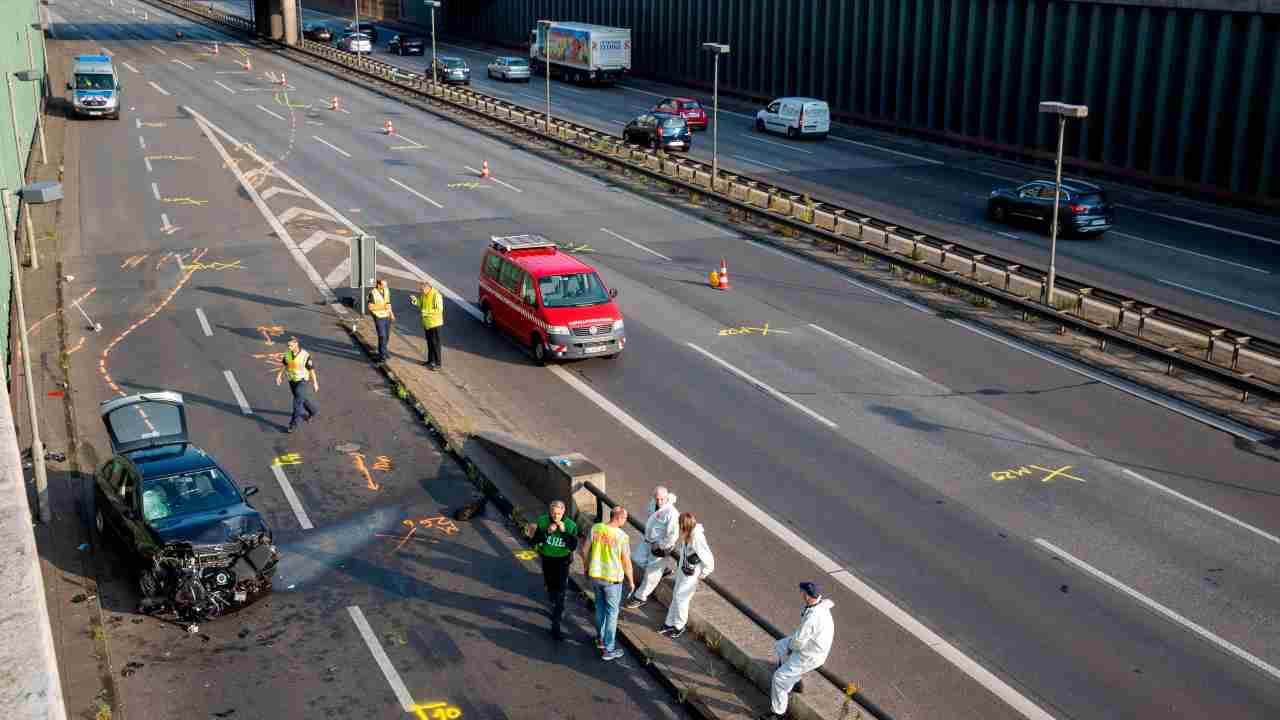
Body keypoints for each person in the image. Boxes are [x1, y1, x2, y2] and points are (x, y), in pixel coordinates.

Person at [758, 582, 835, 719]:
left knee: (779, 678)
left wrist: (790, 649)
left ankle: (778, 713)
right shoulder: (820, 606)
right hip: (812, 645)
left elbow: (798, 641)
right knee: (780, 645)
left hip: (810, 654)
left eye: (802, 592)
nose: (801, 594)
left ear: (806, 595)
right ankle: (794, 681)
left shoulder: (813, 617)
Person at [580, 506, 634, 661]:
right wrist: (631, 581)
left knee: (599, 608)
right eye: (625, 518)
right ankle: (609, 649)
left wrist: (586, 567)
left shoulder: (596, 528)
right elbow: (626, 562)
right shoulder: (622, 537)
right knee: (612, 614)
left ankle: (599, 638)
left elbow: (584, 550)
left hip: (596, 576)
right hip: (612, 580)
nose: (625, 521)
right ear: (619, 518)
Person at [659, 512, 714, 639]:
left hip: (691, 574)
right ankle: (670, 623)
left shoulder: (697, 538)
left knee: (681, 598)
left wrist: (705, 572)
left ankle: (679, 625)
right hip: (684, 570)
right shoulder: (690, 535)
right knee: (677, 596)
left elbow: (708, 557)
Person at [624, 485, 679, 610]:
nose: (659, 502)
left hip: (659, 546)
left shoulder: (672, 514)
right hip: (648, 541)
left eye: (661, 499)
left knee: (651, 574)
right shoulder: (653, 503)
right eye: (657, 499)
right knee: (636, 559)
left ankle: (640, 597)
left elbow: (673, 535)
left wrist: (660, 545)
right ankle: (662, 570)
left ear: (666, 497)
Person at [532, 500, 579, 641]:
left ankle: (556, 624)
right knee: (550, 586)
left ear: (563, 512)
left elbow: (572, 546)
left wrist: (563, 531)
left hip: (562, 561)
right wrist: (548, 531)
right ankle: (553, 598)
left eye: (558, 513)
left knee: (561, 592)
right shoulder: (543, 521)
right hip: (547, 559)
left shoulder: (570, 525)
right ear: (549, 511)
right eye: (553, 513)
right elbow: (535, 540)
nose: (555, 516)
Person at [275, 336, 318, 433]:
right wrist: (279, 376)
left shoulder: (305, 355)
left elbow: (311, 370)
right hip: (292, 381)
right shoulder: (288, 354)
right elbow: (284, 365)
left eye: (290, 345)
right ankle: (313, 411)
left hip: (302, 381)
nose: (288, 347)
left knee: (297, 403)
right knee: (301, 397)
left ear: (296, 344)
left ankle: (292, 425)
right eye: (288, 345)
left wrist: (315, 383)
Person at [410, 279, 444, 370]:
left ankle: (438, 364)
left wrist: (426, 312)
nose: (421, 292)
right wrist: (415, 301)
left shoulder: (436, 295)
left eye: (422, 290)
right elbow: (421, 304)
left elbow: (439, 310)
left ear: (427, 288)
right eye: (420, 290)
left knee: (435, 343)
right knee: (429, 342)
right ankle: (430, 361)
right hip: (427, 323)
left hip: (435, 323)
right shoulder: (424, 295)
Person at [368, 278, 395, 363]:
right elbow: (370, 307)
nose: (386, 286)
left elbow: (388, 303)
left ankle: (384, 351)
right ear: (379, 285)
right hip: (379, 317)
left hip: (387, 315)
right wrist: (382, 307)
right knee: (382, 336)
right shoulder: (372, 293)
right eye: (384, 285)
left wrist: (391, 313)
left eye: (386, 285)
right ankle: (382, 355)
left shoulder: (386, 290)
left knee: (387, 335)